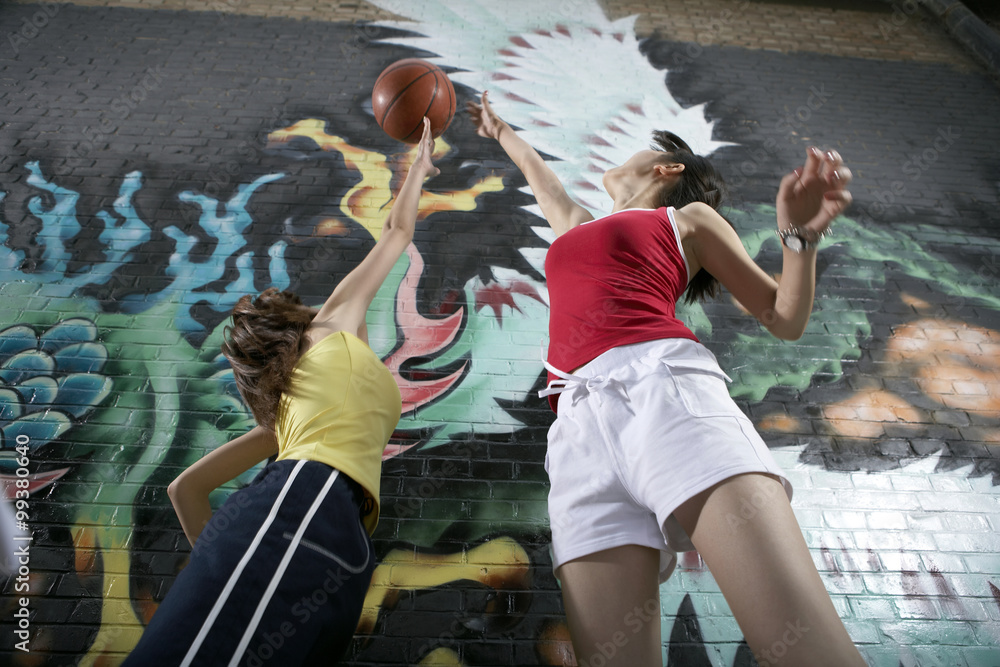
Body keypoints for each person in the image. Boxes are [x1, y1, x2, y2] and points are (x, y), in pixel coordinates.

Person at [468, 92, 865, 667]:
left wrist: (798, 240)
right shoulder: (578, 229)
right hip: (576, 425)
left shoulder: (685, 220)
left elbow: (783, 317)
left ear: (667, 167)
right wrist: (501, 131)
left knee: (805, 650)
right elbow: (542, 180)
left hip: (664, 391)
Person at [125, 118, 440, 666]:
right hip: (307, 501)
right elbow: (397, 233)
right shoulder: (328, 328)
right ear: (293, 322)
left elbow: (185, 490)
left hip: (341, 533)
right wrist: (418, 169)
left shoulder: (289, 415)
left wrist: (224, 566)